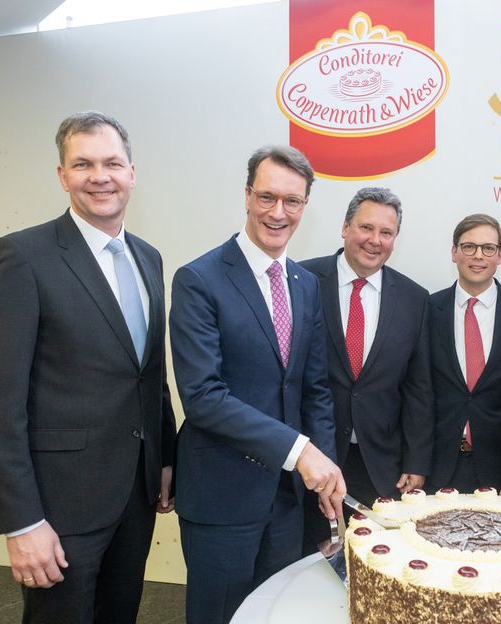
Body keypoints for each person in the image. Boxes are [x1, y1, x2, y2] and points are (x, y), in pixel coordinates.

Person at [0, 111, 177, 623]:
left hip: (135, 495)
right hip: (59, 506)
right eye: (83, 164)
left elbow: (148, 373)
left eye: (112, 163)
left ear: (132, 173)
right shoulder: (20, 257)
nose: (99, 176)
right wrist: (22, 522)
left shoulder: (148, 258)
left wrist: (164, 457)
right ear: (62, 176)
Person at [169, 145, 343, 624]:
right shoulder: (199, 279)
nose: (278, 213)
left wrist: (324, 469)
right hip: (222, 496)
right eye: (267, 197)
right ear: (247, 196)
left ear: (305, 206)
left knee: (277, 615)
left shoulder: (306, 284)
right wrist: (300, 451)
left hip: (286, 502)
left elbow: (314, 390)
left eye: (292, 201)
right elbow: (203, 397)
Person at [300, 187, 433, 548]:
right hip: (311, 458)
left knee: (378, 564)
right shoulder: (302, 280)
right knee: (308, 563)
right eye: (366, 228)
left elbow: (418, 388)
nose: (375, 240)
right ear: (345, 228)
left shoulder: (414, 298)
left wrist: (417, 461)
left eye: (386, 232)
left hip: (380, 465)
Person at [428, 214, 501, 493]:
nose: (478, 256)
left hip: (500, 467)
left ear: (500, 255)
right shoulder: (428, 309)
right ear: (454, 252)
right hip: (437, 465)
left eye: (488, 248)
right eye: (469, 246)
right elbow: (418, 391)